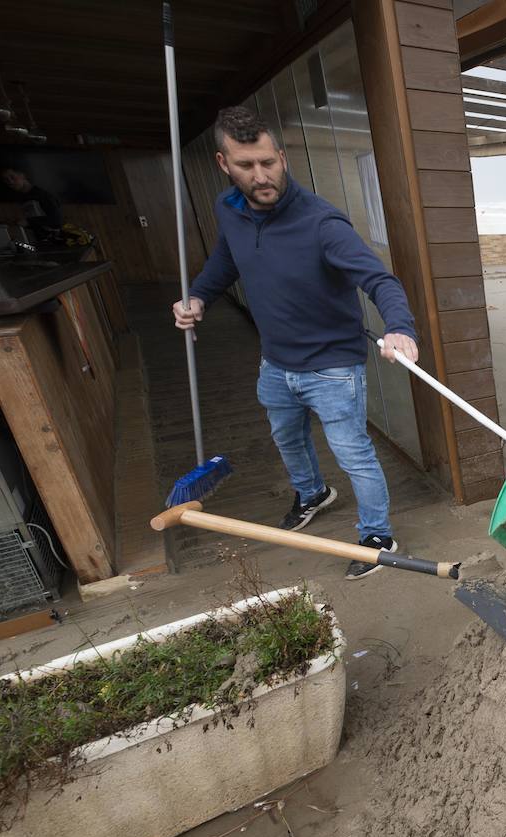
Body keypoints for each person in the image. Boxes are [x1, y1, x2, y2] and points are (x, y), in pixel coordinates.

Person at [173, 106, 419, 580]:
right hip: (276, 361)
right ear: (225, 165)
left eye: (269, 162)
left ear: (282, 158)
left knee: (352, 452)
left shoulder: (322, 223)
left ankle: (377, 535)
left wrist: (401, 328)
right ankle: (312, 494)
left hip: (332, 367)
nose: (261, 175)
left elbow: (380, 281)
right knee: (287, 438)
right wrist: (199, 296)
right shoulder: (230, 210)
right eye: (247, 165)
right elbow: (226, 259)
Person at [0, 166, 63, 240]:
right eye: (6, 180)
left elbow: (57, 221)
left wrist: (28, 222)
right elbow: (36, 222)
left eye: (12, 177)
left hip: (52, 240)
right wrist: (17, 222)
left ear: (22, 175)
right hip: (39, 240)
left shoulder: (42, 195)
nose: (10, 182)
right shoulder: (23, 198)